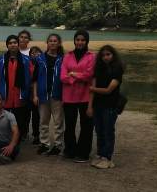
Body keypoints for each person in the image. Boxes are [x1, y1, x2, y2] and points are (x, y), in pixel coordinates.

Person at [61, 29, 95, 163]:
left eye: (82, 40)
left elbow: (89, 75)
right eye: (77, 40)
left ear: (86, 41)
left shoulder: (92, 56)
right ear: (74, 41)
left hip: (85, 97)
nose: (80, 42)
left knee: (86, 126)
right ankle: (70, 150)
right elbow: (63, 77)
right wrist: (75, 77)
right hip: (69, 97)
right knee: (69, 125)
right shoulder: (67, 56)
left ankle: (83, 153)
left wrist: (73, 74)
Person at [0, 35, 33, 143]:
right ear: (7, 45)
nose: (13, 44)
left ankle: (17, 141)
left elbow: (31, 76)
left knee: (19, 120)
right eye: (10, 43)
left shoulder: (26, 60)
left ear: (18, 44)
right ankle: (5, 139)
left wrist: (27, 91)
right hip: (5, 95)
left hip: (20, 95)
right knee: (4, 119)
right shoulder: (1, 60)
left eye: (15, 42)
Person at [89, 45, 124, 169]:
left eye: (108, 54)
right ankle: (100, 154)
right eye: (103, 55)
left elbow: (109, 90)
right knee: (99, 131)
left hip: (110, 105)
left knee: (108, 131)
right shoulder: (99, 68)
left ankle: (107, 157)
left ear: (113, 55)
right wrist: (91, 105)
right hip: (98, 104)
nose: (105, 57)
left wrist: (93, 89)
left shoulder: (117, 69)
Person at [32, 34, 65, 156]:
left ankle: (57, 145)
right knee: (43, 121)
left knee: (58, 121)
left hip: (57, 94)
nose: (52, 43)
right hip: (42, 95)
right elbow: (34, 79)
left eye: (55, 41)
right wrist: (35, 95)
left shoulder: (63, 59)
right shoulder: (40, 59)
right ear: (47, 43)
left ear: (59, 43)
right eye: (50, 41)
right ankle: (44, 143)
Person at [28, 46, 43, 145]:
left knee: (39, 115)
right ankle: (35, 135)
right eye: (32, 53)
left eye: (37, 53)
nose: (35, 55)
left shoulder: (42, 64)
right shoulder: (27, 64)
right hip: (29, 93)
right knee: (31, 115)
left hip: (40, 93)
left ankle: (39, 135)